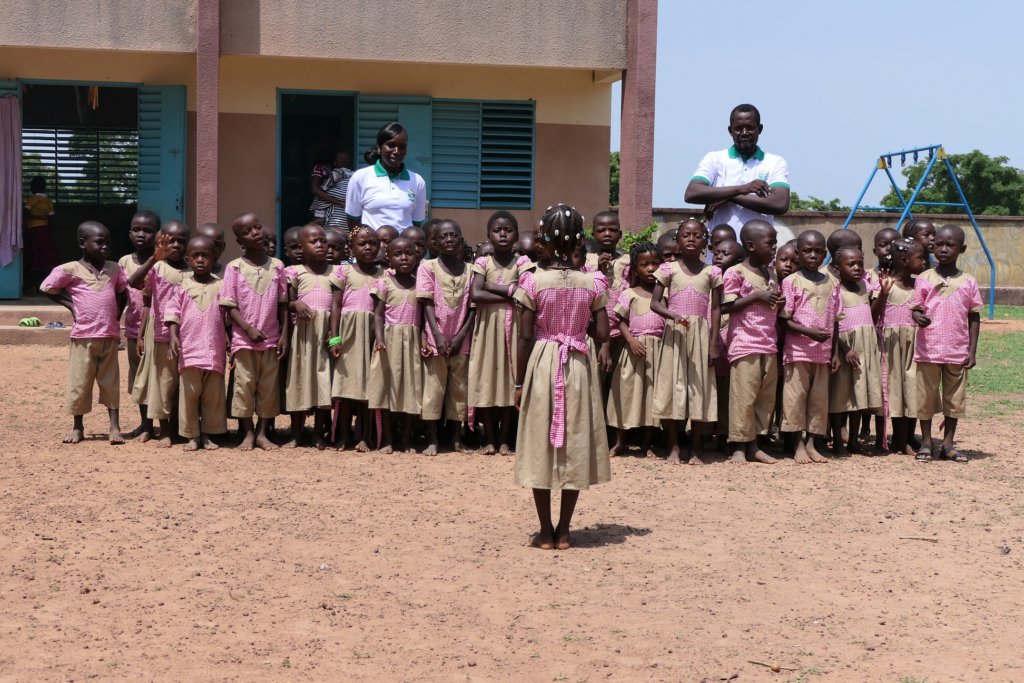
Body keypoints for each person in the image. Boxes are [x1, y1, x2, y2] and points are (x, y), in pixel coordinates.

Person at [513, 204, 610, 551]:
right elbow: (601, 333)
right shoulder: (593, 282)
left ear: (544, 241)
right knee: (576, 440)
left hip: (542, 361)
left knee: (540, 441)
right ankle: (565, 531)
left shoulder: (532, 280)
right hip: (578, 363)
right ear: (579, 241)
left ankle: (545, 531)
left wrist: (518, 382)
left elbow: (524, 337)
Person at [41, 221, 128, 445]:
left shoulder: (114, 268)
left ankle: (114, 426)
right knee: (80, 382)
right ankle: (78, 427)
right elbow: (48, 288)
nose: (105, 247)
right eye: (99, 242)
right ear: (82, 243)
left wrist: (116, 316)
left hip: (109, 336)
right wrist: (70, 305)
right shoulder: (70, 269)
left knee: (110, 382)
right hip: (83, 337)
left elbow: (123, 291)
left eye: (108, 243)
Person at [650, 218, 722, 465]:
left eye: (697, 235)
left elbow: (716, 310)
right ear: (677, 241)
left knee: (699, 389)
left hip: (701, 335)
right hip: (675, 335)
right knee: (673, 386)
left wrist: (714, 342)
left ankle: (696, 448)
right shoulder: (667, 269)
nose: (691, 239)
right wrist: (673, 315)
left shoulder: (713, 272)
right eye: (686, 235)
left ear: (706, 241)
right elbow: (655, 303)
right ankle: (673, 447)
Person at [910, 225, 981, 463]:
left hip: (956, 350)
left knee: (954, 400)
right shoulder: (924, 278)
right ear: (932, 247)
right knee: (926, 398)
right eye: (939, 244)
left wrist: (971, 350)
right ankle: (928, 442)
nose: (943, 249)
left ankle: (949, 444)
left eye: (950, 245)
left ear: (962, 249)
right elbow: (916, 309)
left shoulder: (969, 282)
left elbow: (974, 316)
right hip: (928, 349)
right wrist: (918, 317)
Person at [221, 213, 289, 451]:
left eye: (258, 227)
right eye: (248, 231)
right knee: (244, 386)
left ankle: (262, 433)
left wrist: (284, 335)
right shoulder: (234, 268)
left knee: (268, 387)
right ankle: (247, 433)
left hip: (271, 339)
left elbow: (283, 304)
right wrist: (248, 329)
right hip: (244, 340)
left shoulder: (278, 266)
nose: (256, 233)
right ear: (240, 241)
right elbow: (229, 305)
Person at [720, 221, 783, 464]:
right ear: (751, 246)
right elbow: (726, 306)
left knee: (763, 398)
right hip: (745, 343)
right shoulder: (735, 273)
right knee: (743, 397)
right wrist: (757, 295)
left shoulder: (771, 274)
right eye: (770, 243)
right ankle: (738, 445)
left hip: (768, 343)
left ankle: (755, 444)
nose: (774, 247)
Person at [684, 104, 791, 241]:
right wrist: (742, 189)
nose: (744, 132)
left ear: (760, 129)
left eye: (750, 127)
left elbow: (780, 204)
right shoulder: (714, 159)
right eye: (738, 128)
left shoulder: (775, 162)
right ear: (730, 130)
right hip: (720, 254)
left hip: (758, 256)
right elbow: (692, 193)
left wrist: (727, 197)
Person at [780, 229, 841, 463]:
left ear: (825, 254)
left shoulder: (832, 283)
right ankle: (797, 445)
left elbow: (836, 321)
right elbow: (784, 318)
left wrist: (835, 352)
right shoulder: (790, 282)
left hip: (823, 354)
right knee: (795, 399)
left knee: (818, 401)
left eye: (818, 251)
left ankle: (812, 443)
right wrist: (810, 333)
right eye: (807, 251)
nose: (813, 255)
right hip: (797, 352)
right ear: (798, 253)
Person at [128, 220, 191, 446]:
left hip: (189, 333)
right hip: (160, 332)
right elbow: (135, 284)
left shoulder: (194, 269)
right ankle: (163, 430)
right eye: (170, 241)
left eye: (181, 241)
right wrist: (140, 334)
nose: (175, 245)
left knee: (183, 383)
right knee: (163, 382)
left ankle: (181, 427)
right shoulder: (157, 267)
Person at [417, 219, 476, 455]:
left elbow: (473, 307)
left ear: (461, 239)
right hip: (435, 339)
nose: (449, 240)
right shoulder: (427, 267)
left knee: (459, 389)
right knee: (434, 387)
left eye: (454, 235)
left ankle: (455, 438)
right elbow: (427, 304)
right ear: (435, 242)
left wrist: (462, 335)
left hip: (462, 339)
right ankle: (432, 439)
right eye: (443, 236)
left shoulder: (471, 270)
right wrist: (438, 336)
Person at [165, 236, 227, 451]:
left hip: (214, 351)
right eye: (195, 256)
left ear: (215, 258)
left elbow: (229, 315)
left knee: (213, 396)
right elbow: (173, 312)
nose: (200, 260)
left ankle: (209, 434)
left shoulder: (222, 286)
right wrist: (173, 336)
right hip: (189, 350)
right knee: (190, 395)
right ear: (188, 259)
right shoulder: (182, 286)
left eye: (205, 255)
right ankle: (192, 435)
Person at [469, 211, 522, 455]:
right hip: (488, 328)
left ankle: (504, 440)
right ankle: (489, 438)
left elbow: (524, 296)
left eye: (508, 230)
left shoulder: (522, 263)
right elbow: (476, 294)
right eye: (497, 230)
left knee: (510, 382)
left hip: (514, 328)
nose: (503, 234)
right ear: (488, 235)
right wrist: (509, 292)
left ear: (516, 235)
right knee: (487, 381)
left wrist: (492, 286)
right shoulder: (483, 263)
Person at [328, 225, 384, 451]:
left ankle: (364, 435)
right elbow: (335, 305)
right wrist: (335, 338)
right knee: (345, 388)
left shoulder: (384, 274)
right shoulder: (344, 272)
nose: (368, 247)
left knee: (368, 388)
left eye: (373, 243)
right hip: (349, 334)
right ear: (351, 248)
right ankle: (342, 434)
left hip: (373, 334)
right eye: (362, 244)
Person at [607, 241, 664, 458]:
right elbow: (620, 320)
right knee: (627, 394)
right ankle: (621, 442)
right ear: (635, 268)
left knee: (651, 396)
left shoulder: (664, 295)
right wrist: (631, 341)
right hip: (633, 352)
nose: (650, 269)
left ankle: (646, 443)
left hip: (656, 353)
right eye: (644, 264)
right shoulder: (629, 293)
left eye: (655, 263)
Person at [368, 237, 423, 453]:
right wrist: (380, 339)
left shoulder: (420, 284)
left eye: (408, 253)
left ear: (416, 255)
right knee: (387, 389)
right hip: (389, 341)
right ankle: (388, 439)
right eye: (398, 254)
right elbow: (378, 316)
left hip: (412, 342)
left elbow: (423, 317)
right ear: (389, 259)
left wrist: (424, 339)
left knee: (411, 389)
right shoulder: (384, 283)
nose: (404, 258)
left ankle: (407, 440)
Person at [873, 238, 926, 455]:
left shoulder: (919, 285)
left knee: (911, 389)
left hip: (914, 346)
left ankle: (906, 439)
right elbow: (873, 314)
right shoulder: (887, 284)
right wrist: (883, 294)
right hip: (891, 347)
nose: (925, 262)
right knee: (893, 390)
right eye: (920, 258)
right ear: (904, 260)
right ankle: (895, 440)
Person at [283, 224, 334, 450]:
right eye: (313, 241)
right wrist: (296, 303)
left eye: (323, 240)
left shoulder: (337, 272)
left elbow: (339, 307)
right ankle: (296, 432)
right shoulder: (294, 272)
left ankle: (318, 434)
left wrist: (334, 338)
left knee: (324, 383)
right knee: (299, 381)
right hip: (302, 336)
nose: (320, 245)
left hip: (326, 336)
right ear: (302, 247)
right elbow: (287, 303)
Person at [829, 247, 883, 456]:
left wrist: (884, 294)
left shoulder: (864, 285)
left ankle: (853, 440)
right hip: (845, 348)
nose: (857, 268)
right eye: (851, 264)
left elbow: (872, 314)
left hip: (865, 348)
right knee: (840, 397)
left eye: (860, 263)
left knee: (859, 397)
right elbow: (833, 323)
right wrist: (844, 349)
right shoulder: (835, 289)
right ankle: (837, 442)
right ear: (836, 268)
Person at [118, 210, 159, 439]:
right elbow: (125, 291)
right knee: (138, 377)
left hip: (161, 330)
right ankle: (146, 424)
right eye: (136, 230)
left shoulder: (164, 260)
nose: (141, 235)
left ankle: (166, 422)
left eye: (148, 230)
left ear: (158, 234)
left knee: (160, 375)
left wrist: (156, 258)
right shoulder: (124, 261)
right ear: (129, 233)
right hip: (134, 329)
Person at [345, 122, 427, 231]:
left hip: (404, 247)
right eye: (391, 145)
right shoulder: (360, 177)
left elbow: (417, 223)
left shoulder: (417, 181)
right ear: (379, 147)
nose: (397, 151)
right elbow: (353, 220)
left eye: (402, 147)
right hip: (373, 247)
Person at [710, 238, 744, 451]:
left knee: (727, 394)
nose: (719, 256)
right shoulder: (709, 279)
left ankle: (724, 435)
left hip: (732, 346)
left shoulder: (739, 281)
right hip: (712, 345)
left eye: (726, 253)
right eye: (716, 252)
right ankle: (706, 434)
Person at [23, 176, 59, 289]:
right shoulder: (49, 202)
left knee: (33, 255)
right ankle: (45, 285)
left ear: (33, 187)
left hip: (33, 231)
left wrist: (36, 217)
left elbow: (26, 213)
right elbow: (52, 219)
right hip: (45, 231)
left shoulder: (32, 199)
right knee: (45, 257)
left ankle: (32, 285)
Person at [308, 138, 341, 224]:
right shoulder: (320, 168)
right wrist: (337, 202)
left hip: (334, 207)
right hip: (322, 207)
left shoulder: (336, 169)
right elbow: (315, 189)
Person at [323, 150, 353, 233]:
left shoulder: (336, 173)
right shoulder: (354, 174)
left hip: (335, 214)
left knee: (332, 234)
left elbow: (324, 189)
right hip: (347, 213)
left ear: (335, 163)